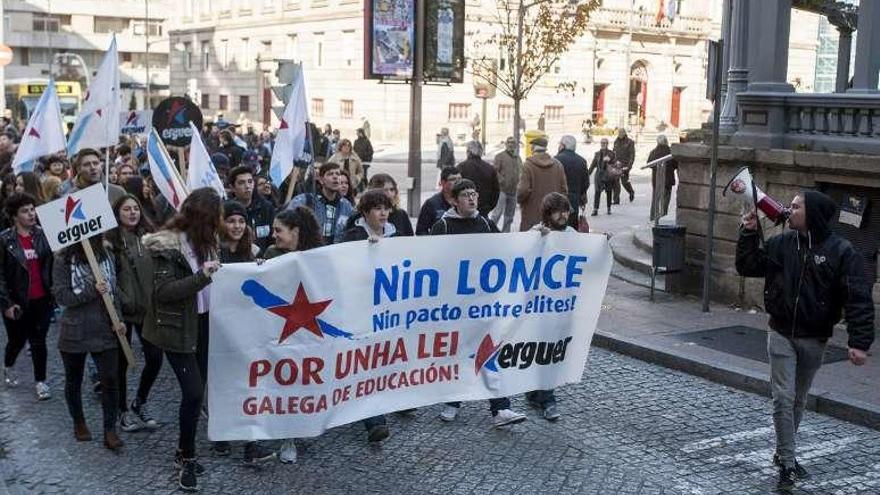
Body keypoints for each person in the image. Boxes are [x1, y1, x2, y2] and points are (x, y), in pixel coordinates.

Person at [735, 191, 875, 492]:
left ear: (812, 214)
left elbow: (858, 297)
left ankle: (782, 450)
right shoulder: (783, 243)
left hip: (815, 338)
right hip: (781, 333)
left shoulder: (842, 251)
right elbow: (748, 265)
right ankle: (787, 461)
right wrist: (748, 233)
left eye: (796, 206)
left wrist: (859, 341)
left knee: (798, 399)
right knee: (783, 398)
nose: (789, 209)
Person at [142, 188, 223, 492]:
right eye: (214, 218)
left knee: (198, 391)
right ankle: (185, 456)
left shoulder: (209, 242)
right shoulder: (168, 245)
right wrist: (202, 275)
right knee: (191, 393)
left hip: (204, 324)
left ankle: (185, 451)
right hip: (177, 329)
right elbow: (164, 292)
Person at [430, 179, 528, 427]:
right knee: (461, 352)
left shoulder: (485, 223)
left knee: (488, 350)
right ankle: (454, 401)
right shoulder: (443, 226)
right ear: (454, 200)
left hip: (484, 303)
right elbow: (430, 261)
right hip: (455, 305)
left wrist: (538, 235)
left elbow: (507, 249)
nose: (472, 199)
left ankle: (500, 408)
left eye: (474, 194)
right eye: (466, 195)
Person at [214, 200, 277, 465]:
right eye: (231, 221)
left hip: (245, 329)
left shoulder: (251, 252)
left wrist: (259, 267)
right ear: (222, 223)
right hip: (217, 328)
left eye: (241, 221)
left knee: (247, 383)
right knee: (221, 383)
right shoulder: (213, 252)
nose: (237, 226)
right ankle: (220, 433)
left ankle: (251, 444)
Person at [260, 207, 324, 464]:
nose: (274, 235)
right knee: (285, 380)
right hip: (282, 329)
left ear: (295, 231)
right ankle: (288, 437)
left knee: (307, 378)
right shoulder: (271, 254)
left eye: (279, 230)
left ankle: (304, 424)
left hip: (311, 330)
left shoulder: (320, 255)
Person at [52, 235, 126, 451]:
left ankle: (109, 429)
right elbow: (62, 296)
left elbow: (114, 292)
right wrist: (91, 291)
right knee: (74, 379)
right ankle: (79, 422)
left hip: (105, 328)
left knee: (110, 379)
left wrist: (118, 318)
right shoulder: (63, 260)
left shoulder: (107, 255)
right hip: (75, 331)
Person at [105, 195, 164, 433]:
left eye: (135, 209)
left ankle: (140, 401)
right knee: (120, 364)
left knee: (155, 358)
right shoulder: (110, 242)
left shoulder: (149, 238)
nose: (132, 213)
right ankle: (121, 411)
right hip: (123, 311)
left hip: (148, 309)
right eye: (126, 209)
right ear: (117, 213)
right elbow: (108, 277)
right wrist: (121, 300)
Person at [526, 192, 575, 421]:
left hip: (562, 305)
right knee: (540, 350)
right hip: (539, 305)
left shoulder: (572, 235)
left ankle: (542, 394)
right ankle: (543, 396)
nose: (563, 215)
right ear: (548, 213)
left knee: (552, 351)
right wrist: (539, 239)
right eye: (558, 211)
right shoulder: (536, 232)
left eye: (565, 210)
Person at [0, 193, 54, 399]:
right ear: (14, 216)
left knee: (39, 341)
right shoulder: (5, 240)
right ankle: (8, 365)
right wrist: (7, 303)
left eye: (32, 209)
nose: (31, 214)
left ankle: (41, 382)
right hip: (17, 301)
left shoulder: (44, 234)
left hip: (42, 299)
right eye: (25, 211)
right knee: (17, 340)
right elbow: (1, 275)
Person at [286, 162, 353, 245]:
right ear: (321, 180)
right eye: (330, 174)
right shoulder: (304, 200)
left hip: (336, 253)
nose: (335, 177)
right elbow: (286, 223)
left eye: (338, 174)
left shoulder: (347, 206)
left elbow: (354, 231)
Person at [516, 137, 567, 232]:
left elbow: (522, 191)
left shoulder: (528, 165)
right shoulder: (558, 165)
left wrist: (520, 201)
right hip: (553, 215)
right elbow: (564, 190)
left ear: (533, 148)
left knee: (531, 242)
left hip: (532, 213)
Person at [346, 173, 413, 237]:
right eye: (385, 190)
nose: (389, 194)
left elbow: (408, 240)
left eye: (392, 189)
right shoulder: (357, 217)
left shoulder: (401, 214)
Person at [228, 165, 276, 253]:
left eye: (250, 182)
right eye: (241, 183)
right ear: (232, 188)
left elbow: (273, 238)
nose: (247, 186)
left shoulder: (267, 208)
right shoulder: (227, 210)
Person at [555, 135, 590, 229]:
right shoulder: (582, 161)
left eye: (560, 144)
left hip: (558, 200)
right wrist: (579, 194)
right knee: (572, 228)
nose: (559, 146)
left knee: (558, 228)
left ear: (563, 146)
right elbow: (586, 183)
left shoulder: (556, 160)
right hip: (574, 200)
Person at [457, 141, 499, 217]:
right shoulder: (489, 168)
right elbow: (496, 191)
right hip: (483, 209)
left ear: (468, 152)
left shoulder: (461, 167)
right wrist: (488, 207)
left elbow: (454, 189)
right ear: (481, 152)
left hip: (464, 209)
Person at [416, 166, 460, 236]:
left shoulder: (465, 201)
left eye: (459, 179)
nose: (457, 182)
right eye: (453, 179)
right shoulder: (431, 204)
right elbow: (421, 230)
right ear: (443, 182)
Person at [490, 137, 522, 233]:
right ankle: (490, 230)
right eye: (509, 143)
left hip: (513, 190)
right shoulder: (500, 156)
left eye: (513, 143)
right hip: (502, 190)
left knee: (509, 216)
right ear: (506, 144)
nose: (511, 144)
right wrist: (501, 180)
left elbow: (521, 171)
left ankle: (505, 233)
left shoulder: (518, 158)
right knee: (497, 213)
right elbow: (494, 172)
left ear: (516, 145)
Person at [648, 135, 678, 221]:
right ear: (666, 141)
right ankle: (663, 216)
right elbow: (676, 164)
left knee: (655, 198)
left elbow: (649, 164)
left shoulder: (654, 152)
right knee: (665, 198)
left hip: (656, 179)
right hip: (668, 179)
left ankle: (653, 216)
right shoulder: (671, 151)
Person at [588, 138, 616, 216]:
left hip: (608, 175)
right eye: (602, 143)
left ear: (607, 144)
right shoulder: (597, 153)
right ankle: (595, 209)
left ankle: (609, 208)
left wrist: (609, 160)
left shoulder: (611, 153)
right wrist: (588, 174)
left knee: (609, 192)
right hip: (599, 176)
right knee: (597, 192)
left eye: (605, 143)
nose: (603, 144)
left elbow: (615, 164)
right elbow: (593, 165)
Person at [612, 128, 636, 204]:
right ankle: (616, 200)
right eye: (619, 132)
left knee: (624, 182)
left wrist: (629, 166)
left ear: (625, 133)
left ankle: (631, 192)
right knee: (616, 182)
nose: (620, 134)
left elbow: (632, 155)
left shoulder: (630, 142)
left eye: (622, 132)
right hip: (617, 164)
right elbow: (614, 153)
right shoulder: (616, 141)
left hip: (625, 165)